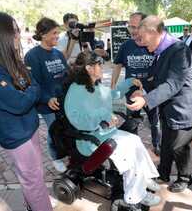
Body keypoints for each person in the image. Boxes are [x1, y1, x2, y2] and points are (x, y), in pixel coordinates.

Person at [0, 10, 53, 211]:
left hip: (30, 127)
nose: (18, 35)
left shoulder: (12, 61)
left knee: (35, 176)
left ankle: (32, 206)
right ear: (0, 35)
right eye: (14, 31)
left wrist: (30, 90)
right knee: (33, 181)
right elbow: (20, 102)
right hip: (16, 136)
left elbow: (32, 86)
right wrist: (31, 90)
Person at [64, 52, 161, 207]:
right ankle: (133, 197)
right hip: (89, 139)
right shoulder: (76, 91)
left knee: (135, 140)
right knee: (128, 154)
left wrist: (129, 82)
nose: (102, 67)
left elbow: (112, 95)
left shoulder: (95, 86)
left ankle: (144, 178)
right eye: (99, 64)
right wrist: (103, 115)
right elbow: (78, 120)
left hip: (104, 134)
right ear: (89, 68)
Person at [127, 16, 192, 193]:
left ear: (153, 32)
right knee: (166, 143)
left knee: (178, 146)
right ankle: (163, 173)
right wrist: (143, 89)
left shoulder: (179, 50)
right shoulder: (161, 50)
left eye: (141, 37)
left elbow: (173, 84)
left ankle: (185, 177)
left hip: (187, 110)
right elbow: (155, 77)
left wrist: (146, 100)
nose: (139, 42)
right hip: (171, 109)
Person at [111, 12, 161, 155]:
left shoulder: (153, 45)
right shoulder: (126, 45)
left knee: (154, 120)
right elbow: (118, 65)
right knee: (132, 120)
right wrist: (113, 85)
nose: (132, 30)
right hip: (131, 91)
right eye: (129, 26)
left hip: (150, 92)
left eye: (135, 26)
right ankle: (134, 146)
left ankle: (156, 144)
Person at [25, 17, 69, 173]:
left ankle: (68, 152)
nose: (57, 36)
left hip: (62, 101)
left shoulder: (58, 54)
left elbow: (66, 76)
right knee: (54, 130)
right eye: (54, 33)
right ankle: (56, 158)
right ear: (43, 35)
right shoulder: (32, 56)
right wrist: (47, 98)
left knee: (66, 128)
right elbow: (33, 83)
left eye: (58, 33)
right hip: (46, 104)